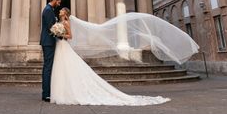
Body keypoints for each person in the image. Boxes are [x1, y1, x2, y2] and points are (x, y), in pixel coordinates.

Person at [50, 8, 198, 106]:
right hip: (62, 47)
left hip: (64, 45)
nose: (60, 11)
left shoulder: (66, 23)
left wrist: (60, 34)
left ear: (65, 13)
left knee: (68, 68)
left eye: (62, 10)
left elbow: (70, 36)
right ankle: (65, 92)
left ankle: (69, 93)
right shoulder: (61, 22)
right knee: (64, 69)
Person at [40, 0, 62, 102]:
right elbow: (51, 28)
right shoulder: (48, 10)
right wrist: (60, 35)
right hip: (48, 42)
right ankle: (46, 94)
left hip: (48, 41)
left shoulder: (49, 9)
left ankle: (47, 92)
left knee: (48, 67)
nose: (59, 4)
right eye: (58, 2)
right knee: (48, 67)